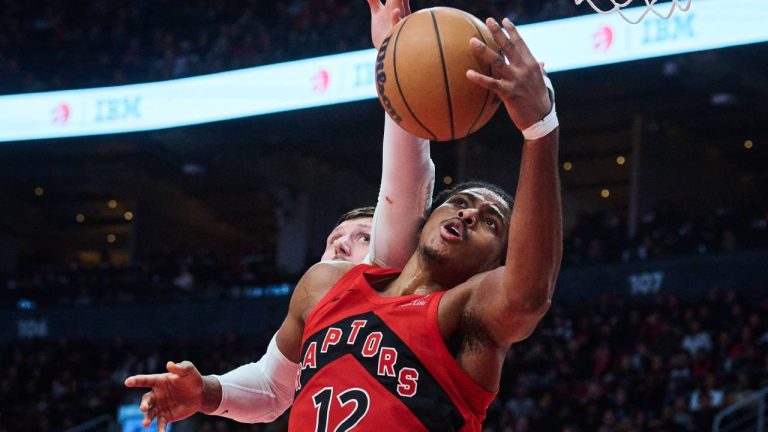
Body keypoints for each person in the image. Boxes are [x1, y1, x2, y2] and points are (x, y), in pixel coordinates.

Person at [126, 2, 562, 431]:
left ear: (493, 266)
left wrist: (540, 129)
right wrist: (206, 392)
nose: (469, 216)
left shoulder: (465, 315)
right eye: (461, 203)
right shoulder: (323, 286)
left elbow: (522, 290)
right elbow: (272, 386)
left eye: (491, 222)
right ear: (429, 219)